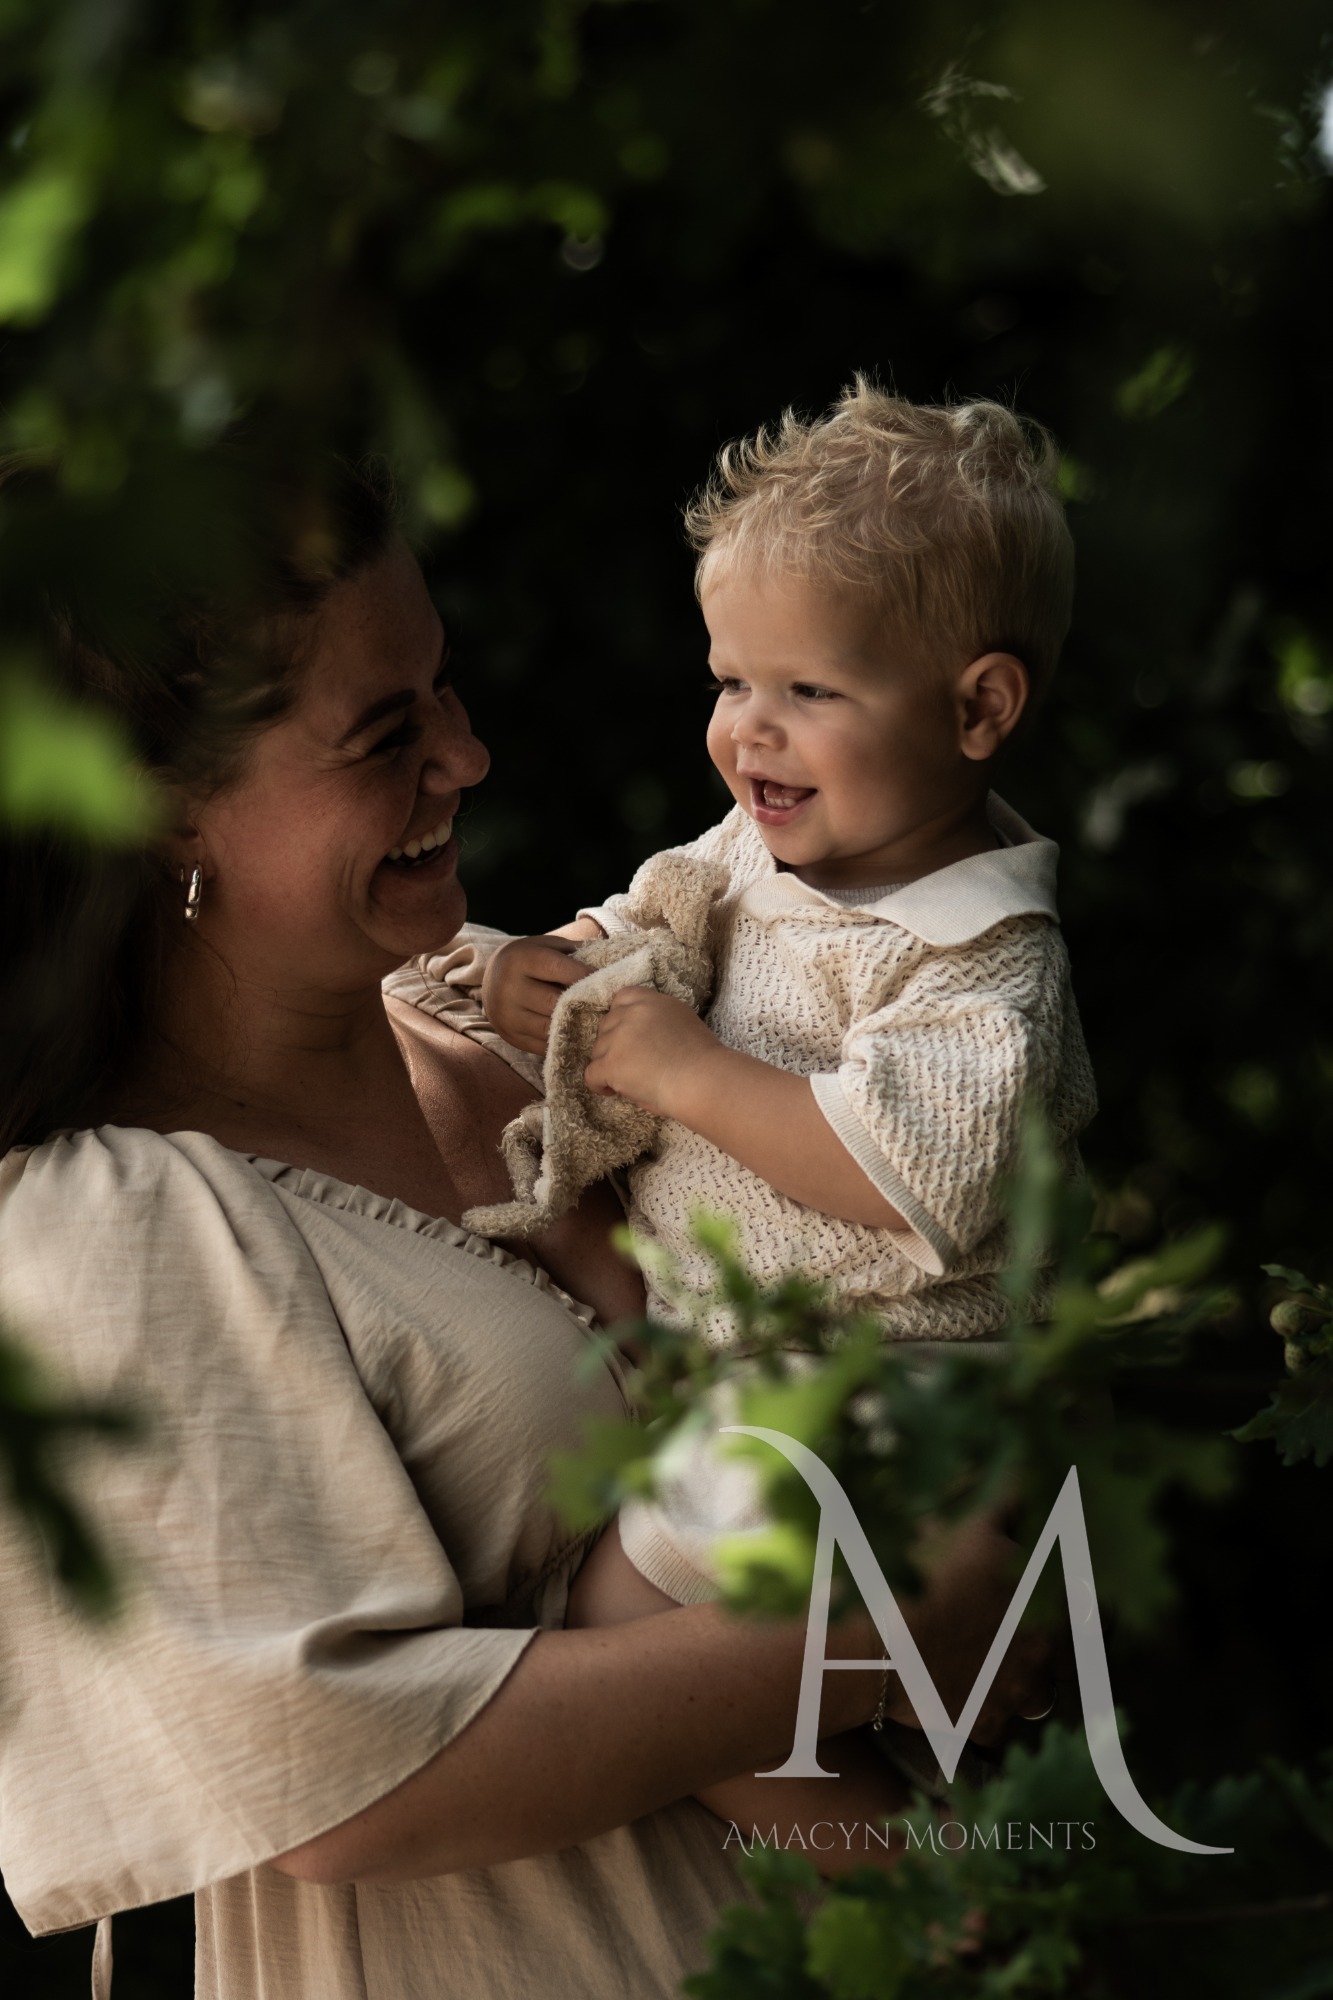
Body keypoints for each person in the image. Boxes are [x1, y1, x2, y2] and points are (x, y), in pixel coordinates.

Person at [0, 448, 1058, 2000]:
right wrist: (870, 1628)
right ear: (159, 810)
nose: (466, 755)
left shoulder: (526, 1036)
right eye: (384, 735)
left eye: (442, 689)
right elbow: (343, 1782)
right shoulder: (110, 1226)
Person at [477, 384, 1096, 1821]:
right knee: (683, 1646)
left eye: (808, 693)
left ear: (978, 708)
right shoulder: (763, 847)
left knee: (636, 1636)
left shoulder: (982, 959)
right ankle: (915, 1846)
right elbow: (658, 919)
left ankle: (902, 1886)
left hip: (886, 1394)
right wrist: (549, 966)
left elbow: (896, 1174)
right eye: (730, 683)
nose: (749, 733)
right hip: (755, 1375)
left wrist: (687, 1073)